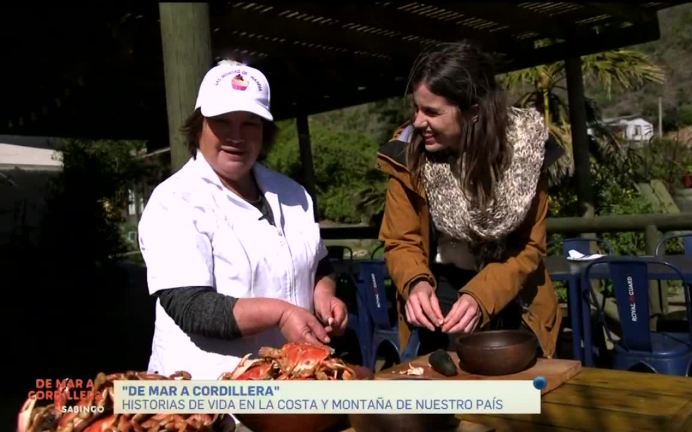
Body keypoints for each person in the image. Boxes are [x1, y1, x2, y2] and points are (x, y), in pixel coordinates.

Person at [138, 60, 347, 380]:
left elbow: (319, 263)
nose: (236, 136)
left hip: (290, 377)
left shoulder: (292, 193)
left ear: (265, 132)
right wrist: (282, 313)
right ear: (199, 126)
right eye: (222, 121)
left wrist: (324, 293)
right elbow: (192, 307)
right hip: (208, 390)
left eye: (250, 123)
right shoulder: (175, 201)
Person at [376, 41, 563, 358]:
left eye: (432, 112)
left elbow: (528, 247)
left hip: (514, 296)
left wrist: (482, 295)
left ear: (473, 112)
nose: (419, 122)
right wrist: (415, 283)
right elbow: (400, 240)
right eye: (416, 109)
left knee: (516, 402)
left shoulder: (527, 153)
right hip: (440, 293)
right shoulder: (406, 156)